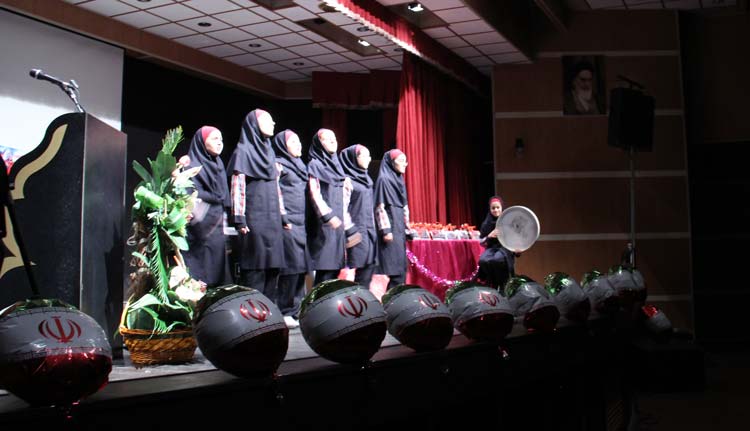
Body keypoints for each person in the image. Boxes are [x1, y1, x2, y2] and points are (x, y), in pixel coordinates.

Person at [228, 109, 285, 303]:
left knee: (273, 269)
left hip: (273, 220)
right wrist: (239, 218)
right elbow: (238, 186)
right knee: (256, 270)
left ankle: (269, 314)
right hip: (255, 220)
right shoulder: (243, 151)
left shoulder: (270, 153)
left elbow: (276, 187)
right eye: (267, 120)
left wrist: (283, 216)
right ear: (254, 124)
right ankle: (252, 314)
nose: (273, 123)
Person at [181, 126, 231, 287]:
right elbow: (188, 196)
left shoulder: (219, 165)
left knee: (218, 277)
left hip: (217, 230)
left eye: (221, 139)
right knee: (200, 278)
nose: (220, 143)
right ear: (202, 142)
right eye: (215, 139)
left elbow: (223, 196)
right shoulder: (190, 166)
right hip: (198, 232)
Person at [306, 128, 356, 285]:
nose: (333, 141)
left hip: (338, 226)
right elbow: (314, 193)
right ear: (319, 143)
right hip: (324, 226)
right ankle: (317, 300)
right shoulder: (315, 164)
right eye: (327, 139)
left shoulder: (337, 166)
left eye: (334, 137)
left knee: (335, 270)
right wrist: (328, 216)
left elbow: (343, 201)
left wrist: (349, 228)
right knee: (325, 272)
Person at [272, 129, 310, 329]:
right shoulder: (278, 164)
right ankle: (284, 310)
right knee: (290, 268)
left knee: (301, 268)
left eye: (299, 141)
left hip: (301, 222)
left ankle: (296, 309)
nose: (298, 145)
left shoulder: (300, 166)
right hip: (287, 222)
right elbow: (275, 191)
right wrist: (283, 216)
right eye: (293, 142)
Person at [339, 144, 378, 289]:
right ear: (354, 158)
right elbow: (342, 207)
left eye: (369, 155)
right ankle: (355, 299)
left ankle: (363, 298)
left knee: (369, 268)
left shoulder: (367, 180)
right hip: (355, 231)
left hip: (369, 231)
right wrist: (350, 229)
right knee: (358, 267)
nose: (369, 159)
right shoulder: (347, 180)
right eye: (364, 155)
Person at [374, 149, 409, 290]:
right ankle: (391, 301)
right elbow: (380, 207)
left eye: (405, 161)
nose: (405, 164)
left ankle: (395, 300)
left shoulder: (399, 180)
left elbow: (404, 207)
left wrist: (407, 228)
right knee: (396, 273)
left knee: (401, 272)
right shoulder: (384, 180)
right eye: (401, 161)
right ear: (391, 162)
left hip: (399, 229)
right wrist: (386, 230)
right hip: (391, 230)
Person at [477, 196, 517, 290]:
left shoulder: (508, 222)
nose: (495, 210)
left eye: (498, 207)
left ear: (502, 208)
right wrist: (489, 236)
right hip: (492, 248)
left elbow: (515, 237)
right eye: (493, 208)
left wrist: (517, 251)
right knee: (483, 260)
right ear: (490, 209)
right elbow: (481, 241)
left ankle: (502, 284)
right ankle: (492, 282)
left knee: (497, 259)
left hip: (505, 248)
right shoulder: (487, 223)